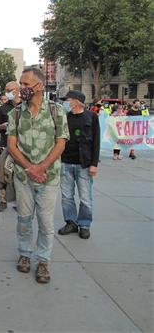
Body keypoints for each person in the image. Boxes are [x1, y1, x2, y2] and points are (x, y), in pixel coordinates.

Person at [7, 68, 69, 284]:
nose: (21, 88)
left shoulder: (56, 111)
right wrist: (30, 167)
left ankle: (43, 260)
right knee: (24, 220)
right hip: (23, 177)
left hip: (48, 178)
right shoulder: (14, 113)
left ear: (39, 86)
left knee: (45, 223)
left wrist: (41, 167)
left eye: (25, 84)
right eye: (20, 84)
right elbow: (12, 145)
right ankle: (25, 253)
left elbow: (61, 142)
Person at [58, 90, 100, 240]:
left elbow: (96, 142)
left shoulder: (91, 116)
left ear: (76, 101)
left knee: (85, 197)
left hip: (84, 164)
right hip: (65, 162)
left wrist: (94, 163)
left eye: (67, 100)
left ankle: (84, 225)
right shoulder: (63, 116)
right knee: (66, 196)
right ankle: (71, 222)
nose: (65, 103)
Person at [0, 81, 21, 210]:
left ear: (16, 90)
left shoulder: (25, 106)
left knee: (18, 175)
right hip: (6, 144)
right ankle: (2, 200)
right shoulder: (3, 108)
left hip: (21, 146)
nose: (7, 92)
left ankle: (18, 201)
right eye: (6, 90)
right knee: (4, 173)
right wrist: (2, 126)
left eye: (9, 90)